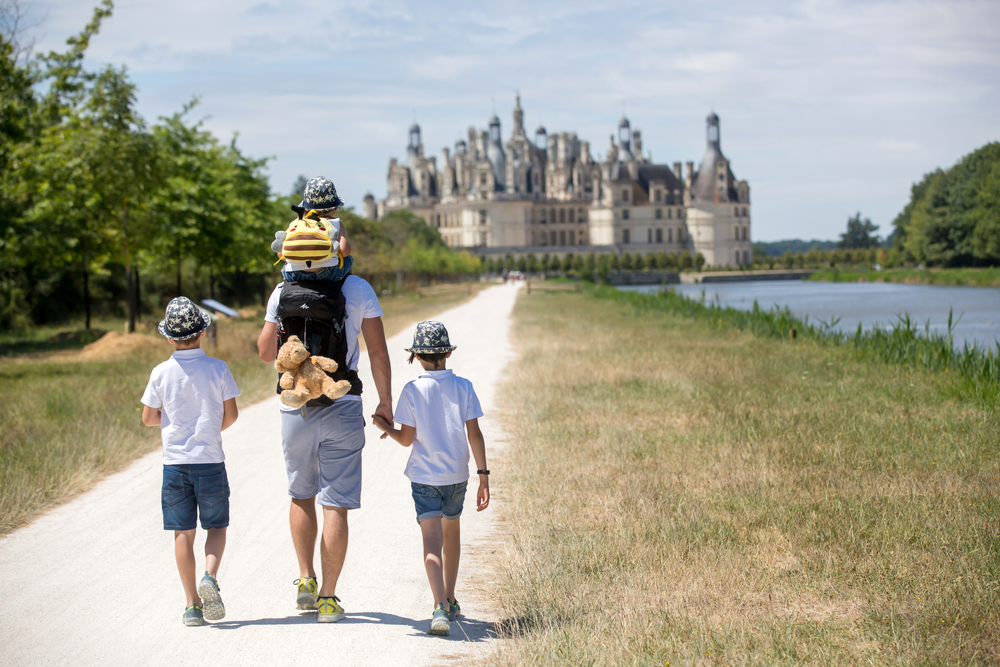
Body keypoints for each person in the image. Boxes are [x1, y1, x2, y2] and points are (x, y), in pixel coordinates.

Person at [257, 176, 393, 623]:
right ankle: (329, 598)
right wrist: (385, 403)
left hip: (294, 406)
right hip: (343, 402)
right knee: (336, 502)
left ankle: (304, 577)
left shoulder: (282, 290)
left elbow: (263, 353)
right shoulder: (357, 289)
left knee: (301, 495)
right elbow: (377, 354)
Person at [371, 320, 490, 637]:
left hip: (424, 478)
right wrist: (484, 476)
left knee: (431, 544)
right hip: (457, 475)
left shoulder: (412, 390)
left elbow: (407, 440)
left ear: (417, 357)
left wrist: (386, 428)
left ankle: (438, 606)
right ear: (447, 353)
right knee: (452, 535)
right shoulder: (464, 386)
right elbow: (474, 434)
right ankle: (450, 599)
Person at [141, 296, 241, 627]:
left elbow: (148, 418)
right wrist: (210, 429)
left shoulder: (160, 372)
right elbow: (231, 415)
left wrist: (172, 423)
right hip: (210, 459)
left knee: (182, 533)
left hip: (175, 464)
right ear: (202, 333)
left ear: (169, 338)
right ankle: (210, 576)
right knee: (216, 526)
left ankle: (192, 606)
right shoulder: (218, 368)